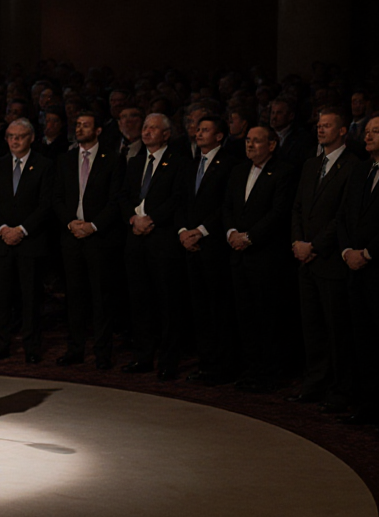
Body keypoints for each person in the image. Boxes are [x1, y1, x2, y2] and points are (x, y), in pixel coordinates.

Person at [286, 108, 357, 410]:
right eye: (319, 125)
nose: (321, 129)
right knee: (311, 326)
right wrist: (298, 242)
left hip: (329, 259)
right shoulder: (311, 164)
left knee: (335, 327)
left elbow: (342, 215)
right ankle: (315, 383)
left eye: (327, 125)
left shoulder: (354, 165)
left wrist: (314, 245)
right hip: (305, 258)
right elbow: (298, 208)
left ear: (342, 131)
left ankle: (341, 389)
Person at [223, 125, 296, 393]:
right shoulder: (238, 170)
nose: (250, 145)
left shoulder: (283, 171)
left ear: (272, 145)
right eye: (248, 141)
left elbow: (278, 213)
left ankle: (271, 373)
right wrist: (231, 232)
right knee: (245, 316)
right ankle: (252, 368)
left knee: (269, 317)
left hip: (265, 257)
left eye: (257, 141)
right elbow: (228, 207)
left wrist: (249, 237)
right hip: (239, 256)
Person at [53, 111, 124, 369]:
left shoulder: (113, 160)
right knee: (74, 296)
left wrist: (93, 226)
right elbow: (57, 197)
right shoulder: (66, 160)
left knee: (101, 297)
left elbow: (116, 200)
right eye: (78, 125)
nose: (80, 129)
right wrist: (71, 222)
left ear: (98, 131)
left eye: (85, 125)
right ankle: (75, 349)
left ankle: (102, 354)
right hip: (72, 236)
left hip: (99, 238)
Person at [0, 118, 55, 363]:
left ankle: (32, 348)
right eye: (11, 136)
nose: (15, 140)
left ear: (31, 138)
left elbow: (46, 205)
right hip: (1, 242)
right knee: (1, 299)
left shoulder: (44, 165)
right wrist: (3, 229)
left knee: (30, 299)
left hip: (30, 243)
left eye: (20, 136)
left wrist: (22, 230)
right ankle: (0, 345)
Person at [119, 114, 185, 380]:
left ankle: (169, 361)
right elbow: (123, 196)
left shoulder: (178, 162)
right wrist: (134, 218)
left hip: (162, 240)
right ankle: (143, 356)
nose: (146, 132)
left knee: (167, 303)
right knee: (139, 301)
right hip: (136, 239)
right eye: (145, 127)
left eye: (153, 128)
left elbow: (178, 198)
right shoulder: (135, 162)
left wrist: (152, 219)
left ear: (166, 134)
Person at [177, 115, 238, 385]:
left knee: (218, 308)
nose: (198, 133)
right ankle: (206, 363)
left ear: (219, 136)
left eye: (205, 129)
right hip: (190, 246)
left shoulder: (229, 164)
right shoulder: (192, 164)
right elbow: (181, 201)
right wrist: (182, 231)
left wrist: (201, 230)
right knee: (199, 309)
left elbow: (225, 205)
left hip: (213, 245)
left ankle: (223, 366)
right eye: (197, 129)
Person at [337, 114, 379, 427]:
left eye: (376, 131)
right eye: (366, 131)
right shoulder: (361, 170)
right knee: (363, 341)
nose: (367, 136)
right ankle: (369, 405)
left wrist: (368, 252)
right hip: (354, 268)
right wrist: (346, 251)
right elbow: (343, 215)